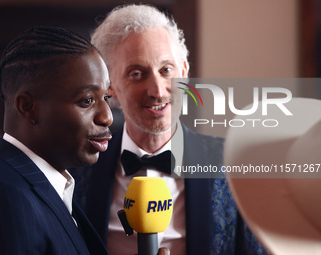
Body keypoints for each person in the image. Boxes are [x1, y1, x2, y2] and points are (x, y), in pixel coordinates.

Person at [72, 4, 267, 255]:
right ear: (109, 86)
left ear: (184, 72)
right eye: (136, 73)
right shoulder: (79, 169)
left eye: (166, 70)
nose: (157, 90)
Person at [0, 26, 112, 255]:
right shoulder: (1, 193)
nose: (107, 116)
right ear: (28, 107)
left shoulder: (50, 184)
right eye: (87, 100)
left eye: (106, 97)